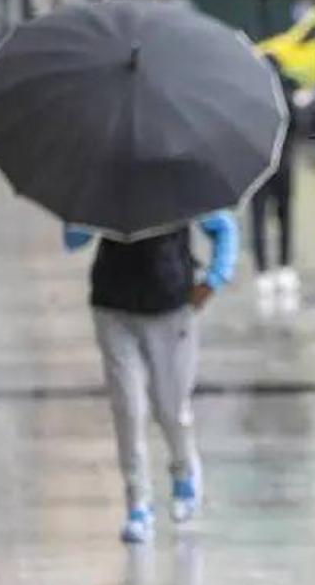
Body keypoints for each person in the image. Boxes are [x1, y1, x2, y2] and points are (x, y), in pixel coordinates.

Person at [65, 212, 238, 544]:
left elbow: (224, 228)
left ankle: (184, 469)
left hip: (171, 306)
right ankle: (137, 503)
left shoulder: (180, 176)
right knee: (128, 409)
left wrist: (214, 279)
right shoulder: (102, 181)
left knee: (170, 407)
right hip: (112, 307)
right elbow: (73, 240)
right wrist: (88, 217)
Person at [252, 55, 299, 312]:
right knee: (285, 217)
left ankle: (263, 272)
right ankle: (284, 266)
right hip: (284, 164)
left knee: (258, 219)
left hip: (258, 166)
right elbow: (300, 126)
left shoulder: (250, 92)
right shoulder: (286, 91)